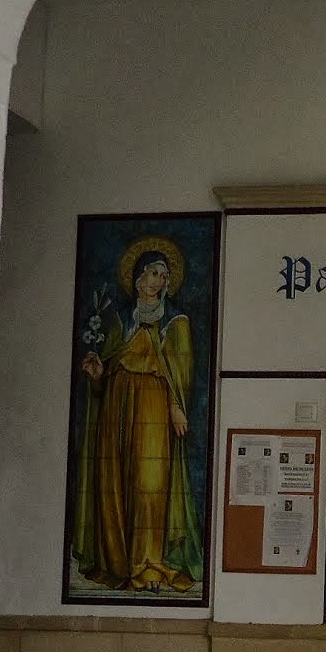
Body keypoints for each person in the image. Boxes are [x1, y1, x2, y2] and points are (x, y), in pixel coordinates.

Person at [71, 245, 203, 594]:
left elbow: (181, 375)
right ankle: (118, 563)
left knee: (150, 485)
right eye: (153, 273)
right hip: (116, 407)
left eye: (164, 276)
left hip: (153, 409)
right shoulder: (118, 319)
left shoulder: (175, 322)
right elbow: (106, 375)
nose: (158, 281)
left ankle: (148, 565)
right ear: (138, 276)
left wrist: (176, 406)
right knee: (115, 483)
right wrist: (98, 375)